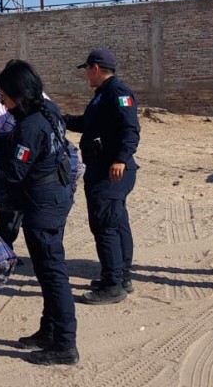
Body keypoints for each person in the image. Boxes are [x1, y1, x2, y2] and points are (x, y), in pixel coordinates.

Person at [0, 60, 78, 366]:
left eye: (4, 97)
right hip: (53, 197)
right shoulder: (50, 111)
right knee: (47, 274)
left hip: (43, 205)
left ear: (18, 93)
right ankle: (49, 331)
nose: (3, 104)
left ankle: (65, 344)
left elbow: (14, 173)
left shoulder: (31, 125)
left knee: (53, 275)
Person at [64, 48, 140, 305]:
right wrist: (60, 119)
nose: (85, 75)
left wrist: (120, 159)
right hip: (105, 169)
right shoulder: (103, 96)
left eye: (86, 70)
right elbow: (87, 124)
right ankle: (120, 276)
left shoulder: (117, 93)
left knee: (105, 225)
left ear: (95, 68)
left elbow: (131, 129)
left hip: (112, 171)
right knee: (116, 224)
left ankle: (112, 285)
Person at [0, 84, 24, 251]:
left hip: (28, 159)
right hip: (8, 156)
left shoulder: (37, 94)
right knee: (8, 207)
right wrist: (12, 112)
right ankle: (5, 247)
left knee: (24, 209)